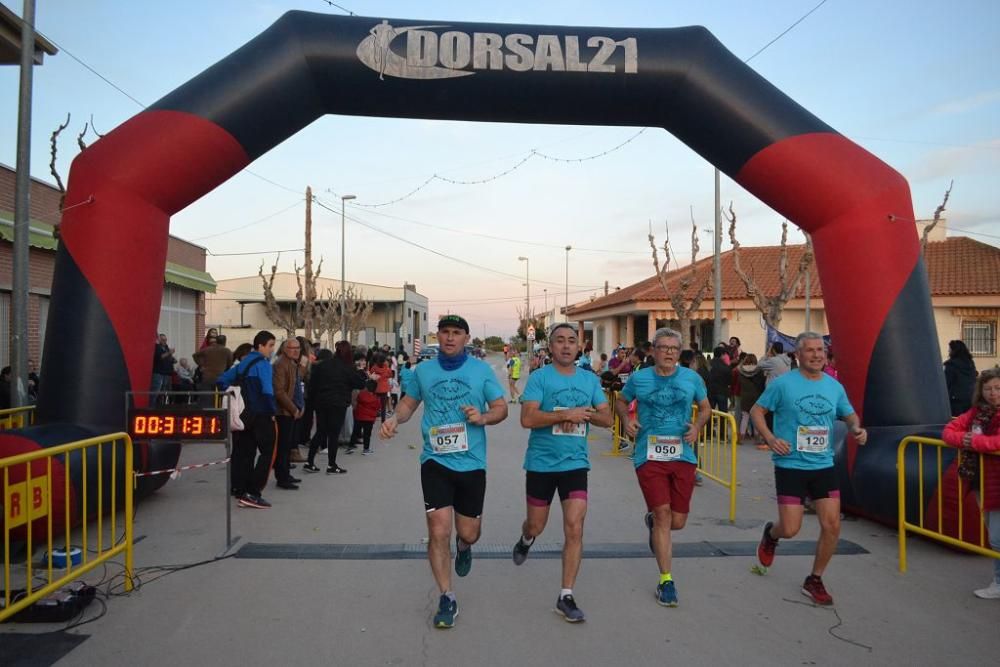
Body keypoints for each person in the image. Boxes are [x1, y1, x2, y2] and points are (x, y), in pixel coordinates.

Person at [379, 314, 508, 629]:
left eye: (456, 333)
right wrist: (396, 418)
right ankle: (447, 596)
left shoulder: (481, 371)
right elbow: (409, 404)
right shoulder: (423, 371)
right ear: (439, 335)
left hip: (472, 463)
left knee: (468, 532)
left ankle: (465, 547)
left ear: (466, 338)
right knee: (438, 531)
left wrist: (483, 418)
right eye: (445, 332)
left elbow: (501, 408)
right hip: (434, 461)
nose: (450, 338)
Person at [750, 332, 868, 606]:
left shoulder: (834, 386)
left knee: (832, 524)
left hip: (823, 464)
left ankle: (814, 578)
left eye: (821, 350)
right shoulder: (783, 385)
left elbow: (849, 414)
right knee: (790, 529)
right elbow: (757, 411)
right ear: (798, 355)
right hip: (790, 464)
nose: (816, 355)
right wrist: (770, 438)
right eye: (810, 350)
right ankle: (771, 535)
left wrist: (856, 428)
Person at [511, 323, 612, 622]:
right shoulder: (539, 378)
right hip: (541, 464)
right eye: (560, 341)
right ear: (550, 347)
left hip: (575, 465)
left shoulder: (589, 379)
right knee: (536, 525)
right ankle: (526, 539)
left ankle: (565, 595)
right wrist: (564, 414)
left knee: (574, 526)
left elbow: (606, 418)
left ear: (579, 346)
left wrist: (587, 415)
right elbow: (527, 418)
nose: (566, 346)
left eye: (571, 341)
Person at [615, 328, 711, 607]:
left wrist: (698, 426)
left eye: (674, 348)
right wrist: (626, 419)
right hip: (649, 454)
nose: (669, 352)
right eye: (663, 347)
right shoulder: (639, 378)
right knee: (663, 514)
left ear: (679, 353)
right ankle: (666, 580)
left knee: (677, 521)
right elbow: (621, 401)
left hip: (683, 455)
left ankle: (654, 524)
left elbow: (704, 407)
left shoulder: (692, 378)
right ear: (653, 351)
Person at [942, 368, 1000, 599]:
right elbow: (948, 432)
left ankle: (998, 582)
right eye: (988, 389)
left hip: (995, 481)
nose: (993, 393)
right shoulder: (977, 412)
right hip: (980, 480)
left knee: (997, 537)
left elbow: (996, 442)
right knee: (992, 532)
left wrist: (974, 441)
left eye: (997, 388)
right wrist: (965, 439)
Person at [217, 331, 278, 509]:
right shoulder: (264, 365)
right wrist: (272, 410)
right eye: (270, 345)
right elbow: (267, 390)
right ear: (260, 346)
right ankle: (253, 493)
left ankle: (240, 488)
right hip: (261, 414)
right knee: (268, 452)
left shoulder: (243, 363)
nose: (272, 349)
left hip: (244, 415)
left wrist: (234, 392)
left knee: (244, 452)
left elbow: (221, 381)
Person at [305, 341, 365, 474]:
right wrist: (361, 371)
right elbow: (360, 384)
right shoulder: (348, 367)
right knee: (333, 434)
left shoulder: (323, 365)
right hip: (338, 403)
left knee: (321, 431)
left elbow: (312, 384)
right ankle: (331, 464)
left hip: (321, 402)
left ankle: (309, 461)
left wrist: (313, 401)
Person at [272, 339, 303, 490]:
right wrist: (293, 409)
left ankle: (286, 474)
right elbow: (279, 391)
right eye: (292, 348)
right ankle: (282, 477)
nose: (296, 351)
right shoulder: (281, 364)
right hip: (283, 412)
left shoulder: (292, 363)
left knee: (287, 445)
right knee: (283, 447)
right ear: (285, 349)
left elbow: (297, 384)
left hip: (290, 411)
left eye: (298, 348)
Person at [944, 340, 978, 417]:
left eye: (950, 349)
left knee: (957, 423)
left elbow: (946, 382)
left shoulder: (950, 365)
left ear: (954, 350)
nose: (948, 351)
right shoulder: (970, 363)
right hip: (971, 399)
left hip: (955, 401)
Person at [737, 354, 765, 444]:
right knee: (756, 416)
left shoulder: (740, 370)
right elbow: (761, 383)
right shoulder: (759, 371)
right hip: (756, 395)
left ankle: (741, 437)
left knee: (745, 416)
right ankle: (757, 437)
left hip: (745, 395)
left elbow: (738, 383)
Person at [349, 379, 380, 455]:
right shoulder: (376, 398)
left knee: (355, 432)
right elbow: (378, 407)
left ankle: (351, 446)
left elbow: (357, 401)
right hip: (369, 419)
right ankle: (366, 449)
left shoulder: (361, 394)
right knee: (367, 434)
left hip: (359, 417)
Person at [150, 333, 175, 405]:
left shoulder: (166, 347)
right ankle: (152, 407)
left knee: (163, 392)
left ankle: (160, 406)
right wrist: (169, 353)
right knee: (156, 391)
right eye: (163, 340)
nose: (165, 341)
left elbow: (168, 357)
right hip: (158, 372)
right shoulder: (156, 347)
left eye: (165, 340)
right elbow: (159, 357)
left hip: (166, 373)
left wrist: (172, 358)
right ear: (159, 340)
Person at [707, 345, 732, 412]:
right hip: (722, 391)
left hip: (710, 391)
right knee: (723, 412)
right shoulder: (725, 366)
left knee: (709, 411)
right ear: (722, 355)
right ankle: (722, 423)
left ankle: (709, 422)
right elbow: (729, 380)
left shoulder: (708, 364)